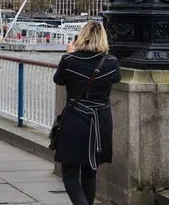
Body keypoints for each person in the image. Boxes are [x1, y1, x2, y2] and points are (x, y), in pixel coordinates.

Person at [53, 21, 121, 205]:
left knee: (70, 174)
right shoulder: (111, 62)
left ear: (81, 37)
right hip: (100, 122)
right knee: (90, 173)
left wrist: (69, 54)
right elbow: (117, 78)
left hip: (75, 120)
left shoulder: (69, 61)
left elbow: (58, 80)